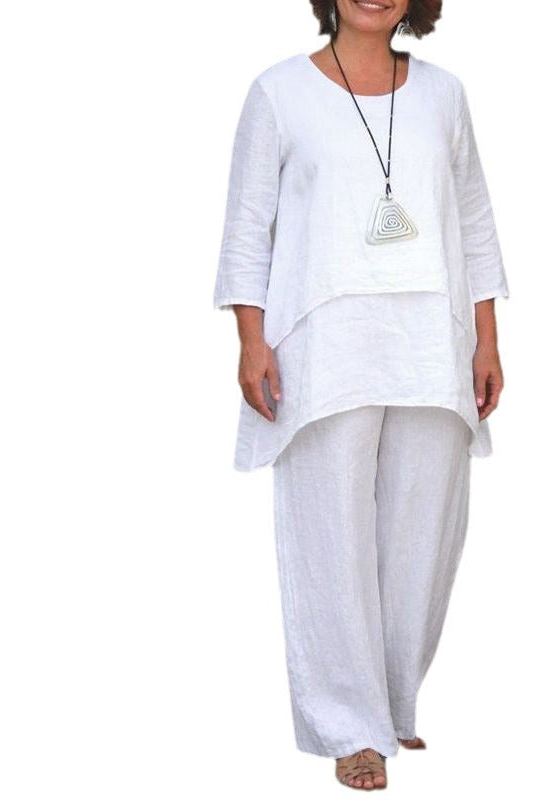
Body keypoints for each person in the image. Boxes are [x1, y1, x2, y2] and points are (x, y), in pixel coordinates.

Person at [213, 0, 510, 789]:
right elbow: (248, 226)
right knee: (329, 533)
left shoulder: (444, 94)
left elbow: (474, 220)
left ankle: (391, 701)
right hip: (324, 347)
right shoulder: (279, 92)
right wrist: (251, 339)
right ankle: (351, 726)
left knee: (424, 535)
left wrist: (486, 338)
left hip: (431, 342)